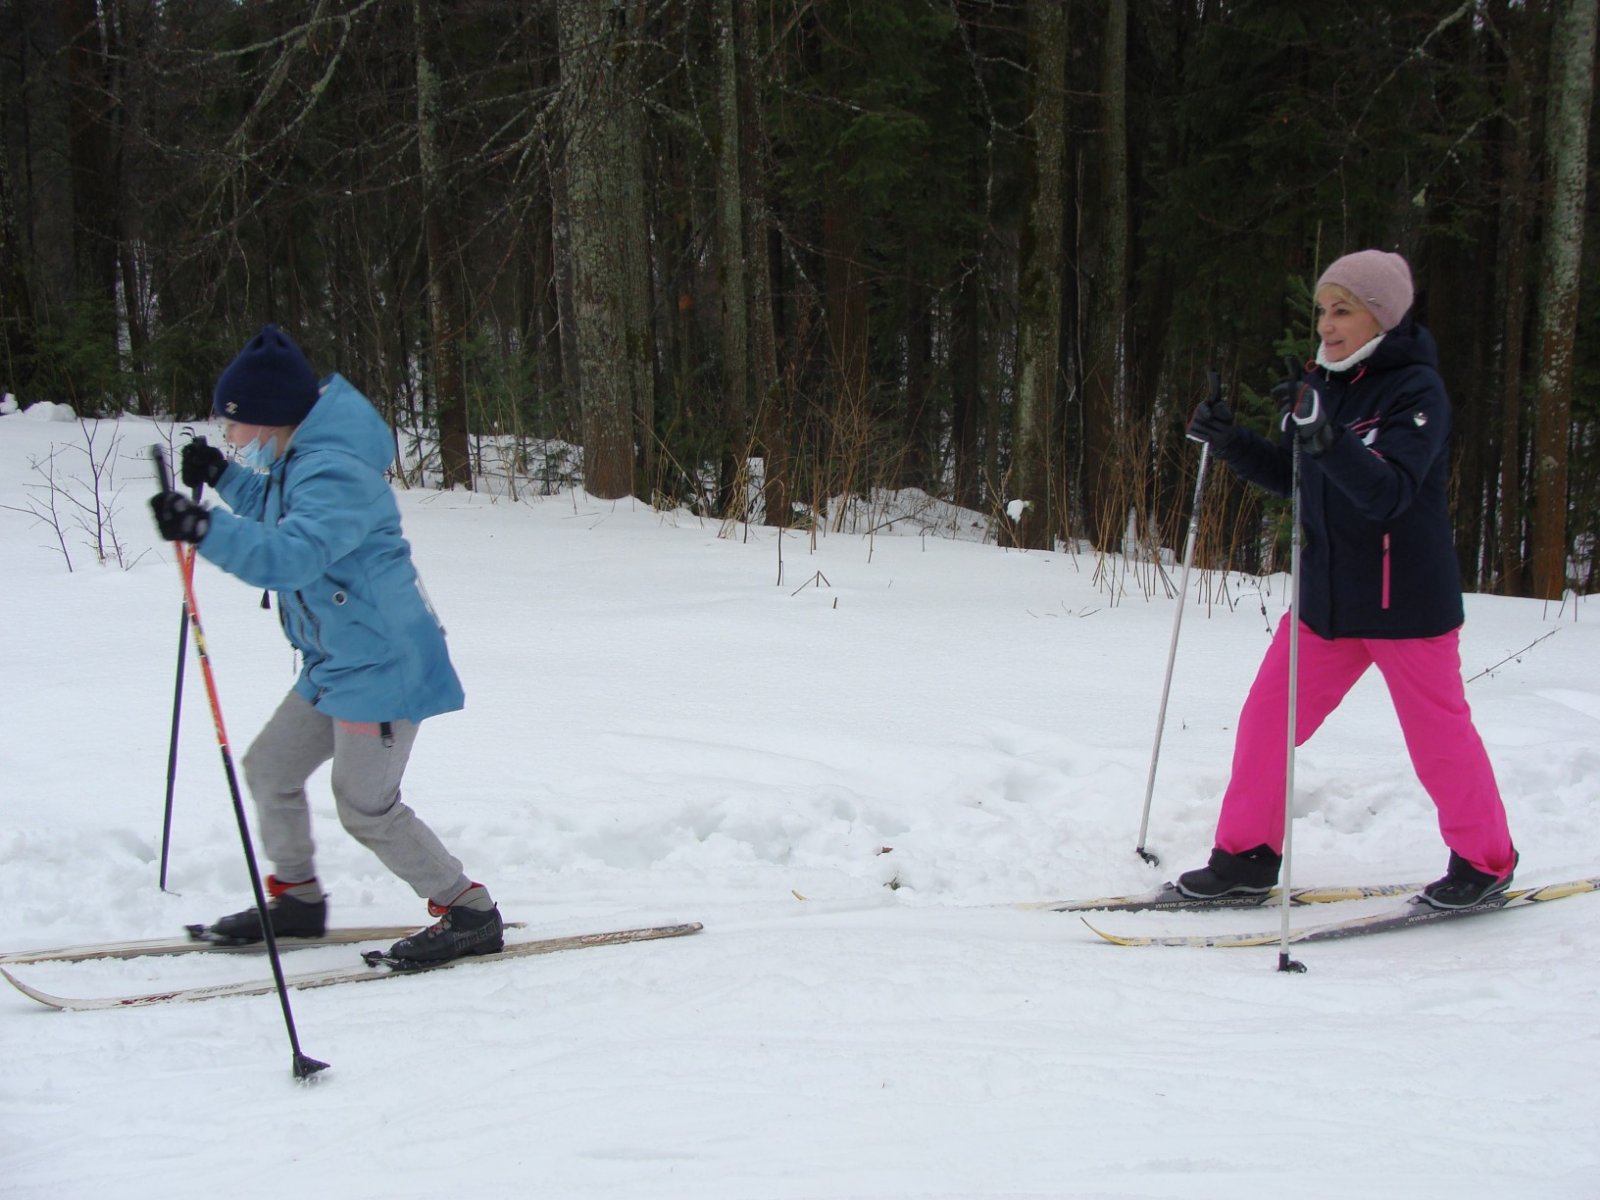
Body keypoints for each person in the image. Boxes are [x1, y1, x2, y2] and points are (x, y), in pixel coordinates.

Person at [149, 325, 503, 963]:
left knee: (365, 806)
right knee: (270, 770)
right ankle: (298, 900)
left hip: (385, 664)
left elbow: (292, 554)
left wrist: (204, 528)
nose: (227, 434)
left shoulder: (334, 471)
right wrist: (226, 479)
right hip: (337, 658)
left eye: (232, 426)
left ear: (268, 420)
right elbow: (283, 505)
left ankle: (467, 909)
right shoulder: (302, 456)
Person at [1180, 249, 1517, 909]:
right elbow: (1296, 476)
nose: (1327, 326)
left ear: (1382, 318)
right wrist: (1230, 442)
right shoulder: (1324, 385)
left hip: (1405, 605)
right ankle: (1246, 859)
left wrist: (1327, 436)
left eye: (1343, 311)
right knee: (1265, 724)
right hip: (1326, 604)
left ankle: (1485, 863)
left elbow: (1387, 493)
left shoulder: (1417, 392)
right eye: (1322, 312)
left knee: (1438, 741)